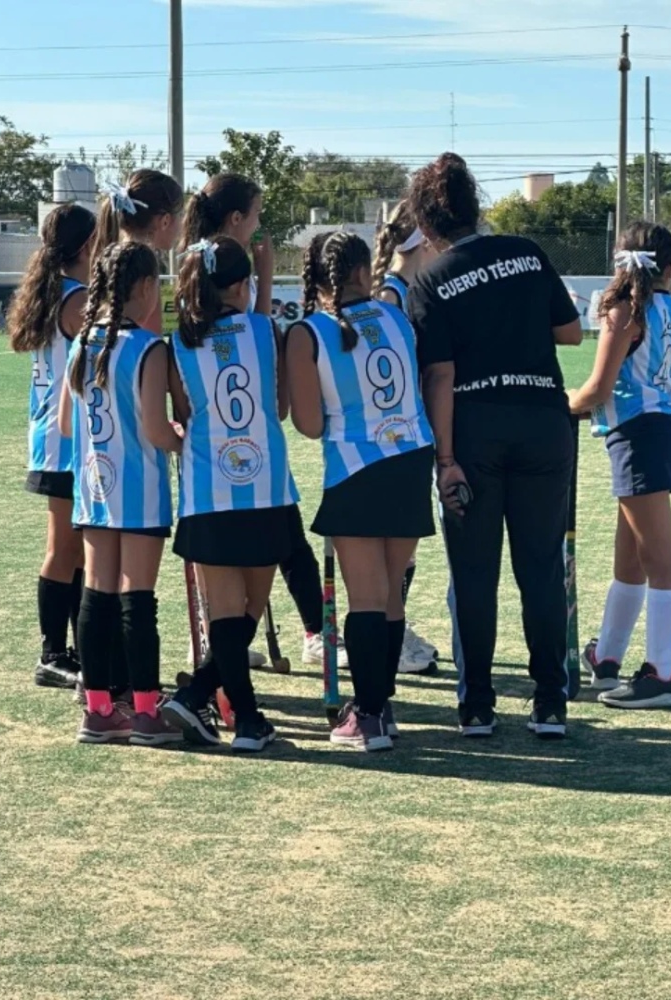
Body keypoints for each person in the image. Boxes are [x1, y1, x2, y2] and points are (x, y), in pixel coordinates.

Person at [406, 153, 583, 740]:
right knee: (541, 568)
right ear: (475, 206)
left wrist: (445, 460)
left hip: (474, 431)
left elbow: (439, 374)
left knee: (474, 573)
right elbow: (570, 332)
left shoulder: (430, 278)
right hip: (544, 424)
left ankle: (477, 706)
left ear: (425, 224)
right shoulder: (526, 252)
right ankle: (550, 702)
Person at [181, 174, 346, 670]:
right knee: (280, 543)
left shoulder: (215, 267)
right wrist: (266, 278)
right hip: (239, 441)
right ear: (236, 218)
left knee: (284, 543)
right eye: (255, 214)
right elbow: (247, 336)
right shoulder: (207, 270)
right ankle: (226, 644)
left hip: (244, 441)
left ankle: (241, 643)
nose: (259, 224)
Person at [286, 232, 436, 752]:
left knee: (367, 599)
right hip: (412, 458)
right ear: (360, 270)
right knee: (390, 593)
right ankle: (380, 706)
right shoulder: (395, 315)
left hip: (356, 467)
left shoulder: (308, 331)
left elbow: (308, 424)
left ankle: (368, 715)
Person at [161, 237, 298, 753]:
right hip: (265, 489)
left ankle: (237, 715)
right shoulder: (267, 330)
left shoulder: (178, 343)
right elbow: (280, 409)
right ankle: (222, 706)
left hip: (207, 491)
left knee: (224, 615)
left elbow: (182, 413)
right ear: (242, 286)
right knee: (247, 612)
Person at [58, 241, 183, 746]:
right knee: (138, 599)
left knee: (96, 593)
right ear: (146, 287)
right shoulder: (149, 348)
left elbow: (67, 425)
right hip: (139, 488)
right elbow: (156, 430)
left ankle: (99, 710)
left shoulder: (81, 343)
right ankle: (147, 713)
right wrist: (182, 438)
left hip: (94, 485)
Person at [568, 222, 671, 710]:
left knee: (658, 560)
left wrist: (562, 404)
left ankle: (662, 675)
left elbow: (599, 388)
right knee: (631, 559)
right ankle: (607, 657)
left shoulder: (625, 310)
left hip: (639, 434)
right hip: (663, 429)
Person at [8, 203, 95, 689]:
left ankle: (80, 648)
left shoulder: (56, 290)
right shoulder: (77, 299)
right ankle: (53, 654)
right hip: (65, 441)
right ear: (87, 246)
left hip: (56, 437)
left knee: (75, 549)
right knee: (65, 549)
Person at [372, 198, 442, 673]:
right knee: (392, 547)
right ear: (424, 240)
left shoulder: (404, 290)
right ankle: (388, 634)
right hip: (394, 439)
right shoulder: (392, 297)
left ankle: (393, 627)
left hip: (407, 436)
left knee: (403, 546)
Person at [94, 169, 184, 334]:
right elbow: (149, 339)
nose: (182, 224)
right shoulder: (145, 268)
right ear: (165, 221)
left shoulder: (111, 258)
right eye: (180, 215)